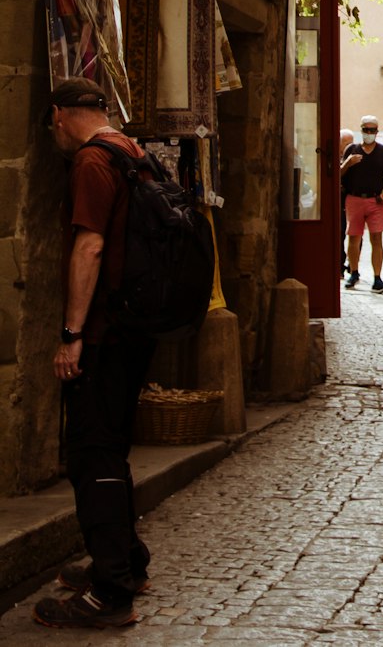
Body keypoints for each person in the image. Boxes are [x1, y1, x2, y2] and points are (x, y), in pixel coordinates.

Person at [32, 79, 158, 630]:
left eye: (52, 121)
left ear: (60, 114)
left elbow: (90, 245)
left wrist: (71, 332)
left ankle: (110, 594)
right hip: (136, 326)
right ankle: (128, 563)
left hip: (105, 332)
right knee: (111, 445)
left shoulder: (90, 162)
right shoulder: (131, 150)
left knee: (91, 452)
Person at [341, 114, 383, 293]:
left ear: (377, 132)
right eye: (366, 130)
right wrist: (348, 163)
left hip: (375, 200)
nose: (369, 133)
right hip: (355, 198)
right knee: (354, 237)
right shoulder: (352, 149)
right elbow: (339, 175)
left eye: (372, 130)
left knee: (377, 238)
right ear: (361, 130)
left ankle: (377, 278)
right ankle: (353, 272)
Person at [338, 128, 354, 276]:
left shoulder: (357, 157)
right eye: (346, 143)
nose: (350, 146)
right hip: (340, 202)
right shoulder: (336, 158)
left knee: (355, 234)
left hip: (354, 200)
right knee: (340, 232)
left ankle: (353, 264)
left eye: (351, 143)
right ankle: (340, 264)